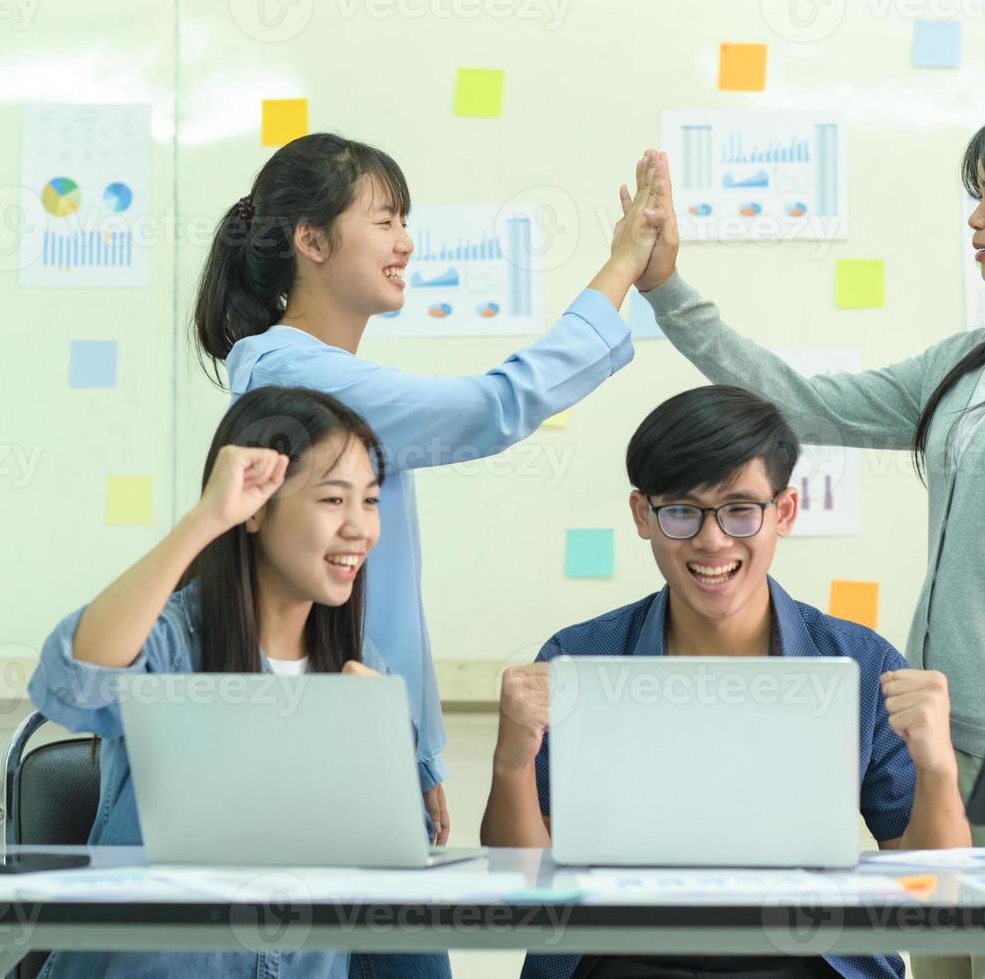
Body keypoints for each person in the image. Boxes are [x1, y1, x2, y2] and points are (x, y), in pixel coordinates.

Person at [631, 95, 985, 979]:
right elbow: (799, 401)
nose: (975, 217)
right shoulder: (968, 362)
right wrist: (667, 291)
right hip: (934, 750)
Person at [192, 134, 666, 841]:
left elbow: (387, 600)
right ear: (311, 242)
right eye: (384, 220)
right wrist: (623, 264)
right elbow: (492, 407)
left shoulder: (323, 373)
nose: (406, 242)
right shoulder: (299, 378)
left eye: (404, 222)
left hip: (371, 729)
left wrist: (419, 750)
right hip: (334, 741)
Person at [481, 385, 970, 979]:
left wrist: (940, 769)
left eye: (740, 509)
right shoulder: (579, 658)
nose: (712, 541)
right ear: (643, 515)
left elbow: (932, 894)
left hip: (806, 956)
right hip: (622, 955)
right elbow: (523, 890)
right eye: (682, 511)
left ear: (783, 513)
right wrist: (511, 762)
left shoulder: (860, 661)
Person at [28, 385, 447, 979]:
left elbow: (396, 876)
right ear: (255, 509)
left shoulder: (363, 668)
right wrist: (204, 519)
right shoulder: (176, 641)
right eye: (333, 500)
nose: (360, 528)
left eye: (371, 501)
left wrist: (372, 753)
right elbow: (73, 683)